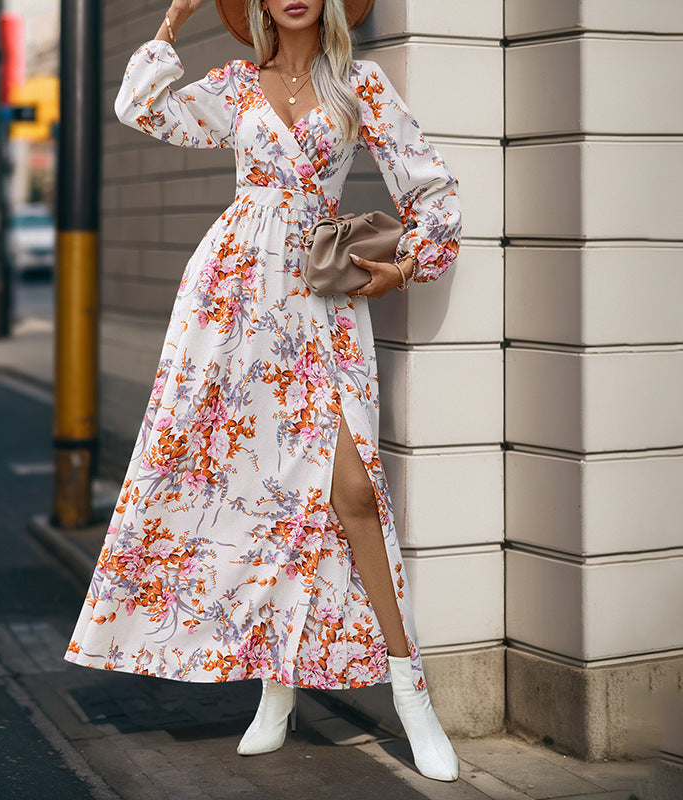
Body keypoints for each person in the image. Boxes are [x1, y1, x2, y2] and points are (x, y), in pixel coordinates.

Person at [64, 0, 462, 782]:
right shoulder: (235, 86)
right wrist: (171, 23)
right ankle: (274, 691)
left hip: (321, 298)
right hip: (231, 301)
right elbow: (140, 107)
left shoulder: (360, 84)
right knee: (261, 488)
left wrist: (405, 265)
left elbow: (433, 191)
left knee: (349, 489)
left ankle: (412, 694)